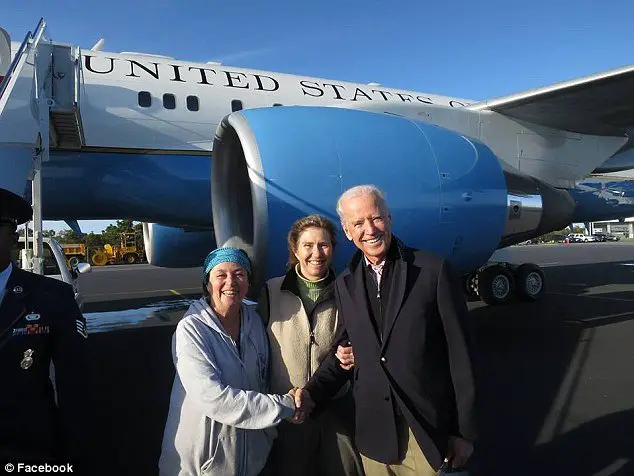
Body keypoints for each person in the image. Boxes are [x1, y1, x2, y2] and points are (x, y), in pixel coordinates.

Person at [301, 185, 478, 476]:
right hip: (375, 439)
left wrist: (464, 432)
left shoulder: (433, 271)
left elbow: (462, 355)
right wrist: (310, 395)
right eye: (358, 223)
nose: (370, 229)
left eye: (377, 218)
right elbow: (343, 351)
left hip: (427, 434)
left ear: (390, 219)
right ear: (347, 231)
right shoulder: (346, 284)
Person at [158, 247, 302, 476]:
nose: (230, 282)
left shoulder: (254, 321)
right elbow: (215, 399)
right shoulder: (191, 329)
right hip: (205, 466)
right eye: (221, 275)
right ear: (207, 283)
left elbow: (264, 376)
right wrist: (286, 405)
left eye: (238, 274)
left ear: (248, 281)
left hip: (252, 462)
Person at [258, 215, 365, 476]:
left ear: (333, 249)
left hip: (335, 405)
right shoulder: (271, 292)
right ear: (295, 249)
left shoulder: (347, 291)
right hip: (288, 409)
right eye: (308, 245)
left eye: (324, 245)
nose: (316, 253)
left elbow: (365, 341)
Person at [0, 188, 89, 464]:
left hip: (26, 450)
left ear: (13, 237)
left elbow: (75, 386)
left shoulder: (51, 296)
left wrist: (70, 459)